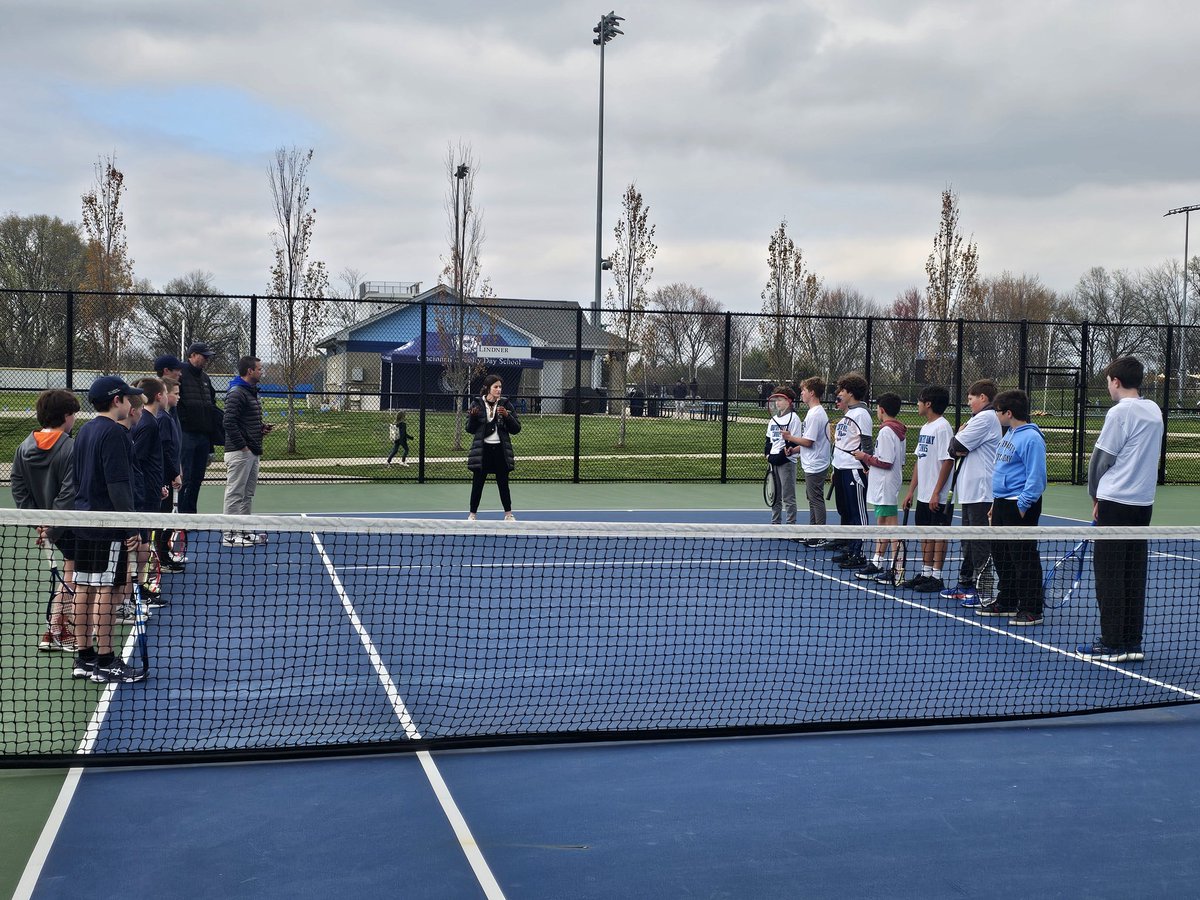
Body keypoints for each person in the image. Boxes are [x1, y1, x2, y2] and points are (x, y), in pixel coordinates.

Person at [1078, 356, 1163, 662]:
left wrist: (1095, 497)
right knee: (1133, 572)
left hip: (1115, 503)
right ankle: (1131, 641)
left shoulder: (1120, 413)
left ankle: (1112, 642)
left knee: (1109, 574)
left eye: (1108, 381)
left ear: (1115, 381)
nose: (1109, 387)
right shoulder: (1154, 410)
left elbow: (1100, 460)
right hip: (1143, 505)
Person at [71, 375, 146, 684]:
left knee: (85, 588)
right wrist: (130, 525)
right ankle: (105, 659)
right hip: (107, 525)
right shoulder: (114, 434)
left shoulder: (85, 431)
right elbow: (118, 485)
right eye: (128, 398)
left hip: (83, 522)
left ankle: (84, 657)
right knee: (106, 591)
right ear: (117, 401)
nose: (131, 403)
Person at [12, 389, 80, 652]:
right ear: (66, 416)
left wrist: (40, 523)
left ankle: (54, 629)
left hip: (52, 526)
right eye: (73, 414)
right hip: (70, 525)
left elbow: (19, 490)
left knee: (70, 572)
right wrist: (50, 528)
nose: (75, 419)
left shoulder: (22, 447)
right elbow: (69, 493)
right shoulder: (70, 448)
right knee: (73, 575)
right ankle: (56, 629)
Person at [976, 389, 1047, 626]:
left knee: (1023, 556)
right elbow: (1003, 471)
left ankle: (1031, 608)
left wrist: (1023, 505)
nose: (995, 415)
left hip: (1020, 505)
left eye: (997, 411)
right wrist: (996, 503)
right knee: (1001, 554)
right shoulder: (1009, 434)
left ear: (1008, 412)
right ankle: (1008, 600)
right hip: (1001, 504)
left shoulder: (1032, 438)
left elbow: (1036, 478)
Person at [941, 379, 1002, 604]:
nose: (968, 403)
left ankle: (983, 591)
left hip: (981, 492)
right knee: (967, 540)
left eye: (970, 398)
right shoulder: (977, 419)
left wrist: (957, 439)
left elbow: (955, 447)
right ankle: (966, 583)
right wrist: (957, 439)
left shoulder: (985, 418)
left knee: (979, 542)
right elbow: (956, 447)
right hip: (970, 492)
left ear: (983, 398)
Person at [901, 384, 955, 592]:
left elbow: (948, 462)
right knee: (925, 532)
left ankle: (937, 576)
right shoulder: (925, 428)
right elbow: (919, 461)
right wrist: (911, 491)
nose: (917, 404)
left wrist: (936, 492)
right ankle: (925, 573)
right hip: (924, 494)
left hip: (937, 495)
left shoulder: (943, 427)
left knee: (938, 533)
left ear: (929, 404)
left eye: (919, 400)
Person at [852, 393, 907, 582]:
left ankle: (897, 569)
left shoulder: (886, 431)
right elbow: (895, 461)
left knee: (891, 527)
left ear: (881, 410)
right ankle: (878, 563)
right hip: (886, 483)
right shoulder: (898, 431)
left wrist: (864, 457)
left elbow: (886, 461)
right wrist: (872, 469)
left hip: (885, 486)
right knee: (883, 525)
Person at [222, 355, 272, 546]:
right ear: (250, 371)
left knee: (247, 494)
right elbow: (228, 422)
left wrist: (260, 429)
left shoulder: (250, 392)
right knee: (235, 493)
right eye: (259, 368)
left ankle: (243, 531)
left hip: (252, 450)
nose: (261, 371)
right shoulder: (236, 392)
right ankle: (229, 534)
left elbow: (244, 421)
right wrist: (242, 445)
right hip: (240, 452)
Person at [829, 372, 874, 570]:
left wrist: (866, 465)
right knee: (845, 511)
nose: (839, 393)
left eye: (843, 390)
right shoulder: (849, 414)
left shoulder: (862, 414)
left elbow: (867, 445)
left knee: (858, 513)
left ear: (851, 393)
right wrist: (834, 467)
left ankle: (859, 553)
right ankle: (850, 547)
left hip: (854, 470)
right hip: (841, 467)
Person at [130, 378, 169, 608]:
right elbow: (138, 460)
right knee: (142, 544)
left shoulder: (151, 421)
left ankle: (138, 589)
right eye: (165, 392)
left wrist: (159, 484)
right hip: (144, 496)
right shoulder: (147, 424)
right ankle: (136, 591)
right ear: (158, 396)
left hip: (152, 490)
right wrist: (148, 488)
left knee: (145, 541)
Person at [466, 375, 522, 521]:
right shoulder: (477, 404)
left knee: (503, 483)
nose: (499, 390)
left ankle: (508, 515)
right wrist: (472, 417)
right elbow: (470, 429)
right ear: (487, 388)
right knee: (478, 483)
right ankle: (472, 515)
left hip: (500, 451)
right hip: (483, 451)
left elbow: (516, 429)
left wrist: (507, 416)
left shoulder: (506, 404)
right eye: (495, 387)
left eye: (500, 387)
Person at [177, 341, 223, 514]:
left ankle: (192, 515)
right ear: (193, 355)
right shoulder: (180, 374)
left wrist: (211, 442)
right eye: (204, 356)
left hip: (203, 436)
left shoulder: (205, 378)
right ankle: (182, 518)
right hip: (186, 435)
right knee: (186, 478)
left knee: (197, 478)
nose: (206, 360)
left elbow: (211, 404)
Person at [783, 376, 831, 546]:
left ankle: (820, 535)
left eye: (803, 390)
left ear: (812, 393)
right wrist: (794, 449)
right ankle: (813, 532)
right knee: (812, 498)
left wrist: (791, 438)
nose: (801, 393)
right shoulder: (814, 413)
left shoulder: (816, 414)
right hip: (812, 461)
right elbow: (810, 442)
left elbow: (809, 441)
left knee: (816, 499)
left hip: (816, 464)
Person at [154, 376, 185, 571]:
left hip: (169, 474)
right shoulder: (162, 419)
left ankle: (163, 556)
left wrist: (178, 467)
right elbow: (164, 451)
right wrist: (173, 474)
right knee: (162, 519)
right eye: (174, 393)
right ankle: (161, 558)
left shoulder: (169, 416)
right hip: (163, 478)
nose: (178, 397)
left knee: (166, 518)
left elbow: (173, 449)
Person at [764, 387, 803, 526]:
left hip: (786, 462)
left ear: (789, 401)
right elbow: (768, 440)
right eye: (776, 400)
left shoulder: (794, 419)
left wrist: (781, 456)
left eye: (780, 400)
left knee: (788, 497)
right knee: (775, 496)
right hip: (772, 462)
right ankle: (775, 524)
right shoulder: (773, 419)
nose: (777, 403)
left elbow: (794, 441)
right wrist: (768, 455)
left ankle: (791, 526)